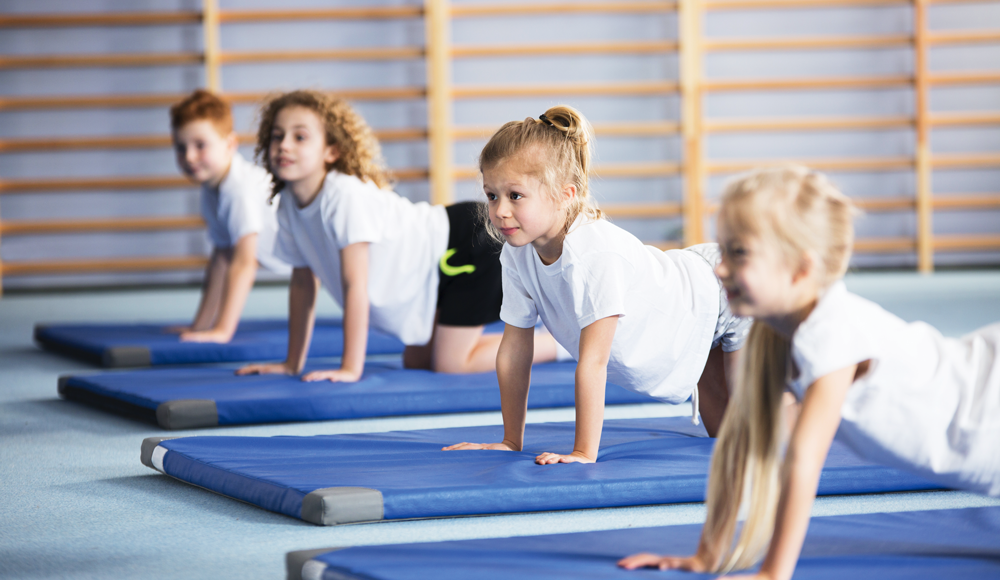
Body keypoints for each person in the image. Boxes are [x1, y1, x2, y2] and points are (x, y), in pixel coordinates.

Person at [619, 165, 1000, 579]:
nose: (719, 268)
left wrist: (773, 573)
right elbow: (740, 445)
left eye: (739, 253)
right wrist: (708, 555)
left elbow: (803, 460)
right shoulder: (773, 335)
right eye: (723, 251)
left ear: (801, 269)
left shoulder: (832, 332)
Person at [444, 105, 748, 464]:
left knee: (757, 429)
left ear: (566, 194)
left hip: (722, 291)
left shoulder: (592, 254)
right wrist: (511, 441)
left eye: (515, 195)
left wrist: (583, 452)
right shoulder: (516, 254)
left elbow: (594, 361)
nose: (499, 211)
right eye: (492, 195)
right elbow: (514, 350)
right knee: (724, 440)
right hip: (692, 314)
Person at [237, 90, 557, 382]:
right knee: (417, 361)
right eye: (277, 136)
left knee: (451, 363)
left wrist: (350, 368)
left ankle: (558, 345)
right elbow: (303, 283)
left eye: (300, 137)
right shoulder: (288, 204)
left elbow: (355, 286)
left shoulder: (343, 196)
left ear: (331, 150)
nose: (284, 145)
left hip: (466, 245)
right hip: (433, 272)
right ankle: (536, 336)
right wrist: (292, 363)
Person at [169, 89, 290, 343]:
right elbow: (222, 257)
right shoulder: (211, 188)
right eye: (181, 147)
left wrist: (223, 330)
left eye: (200, 145)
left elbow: (245, 263)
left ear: (230, 145)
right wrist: (201, 325)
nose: (189, 157)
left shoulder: (239, 191)